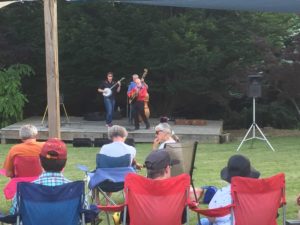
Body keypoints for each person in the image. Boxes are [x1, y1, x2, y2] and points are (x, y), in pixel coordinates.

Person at [10, 138, 71, 214]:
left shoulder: (24, 190)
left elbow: (14, 213)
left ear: (39, 160)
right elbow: (84, 214)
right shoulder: (75, 190)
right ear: (65, 162)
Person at [198, 154, 260, 225]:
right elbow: (273, 215)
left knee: (204, 221)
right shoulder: (260, 193)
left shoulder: (222, 194)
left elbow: (211, 219)